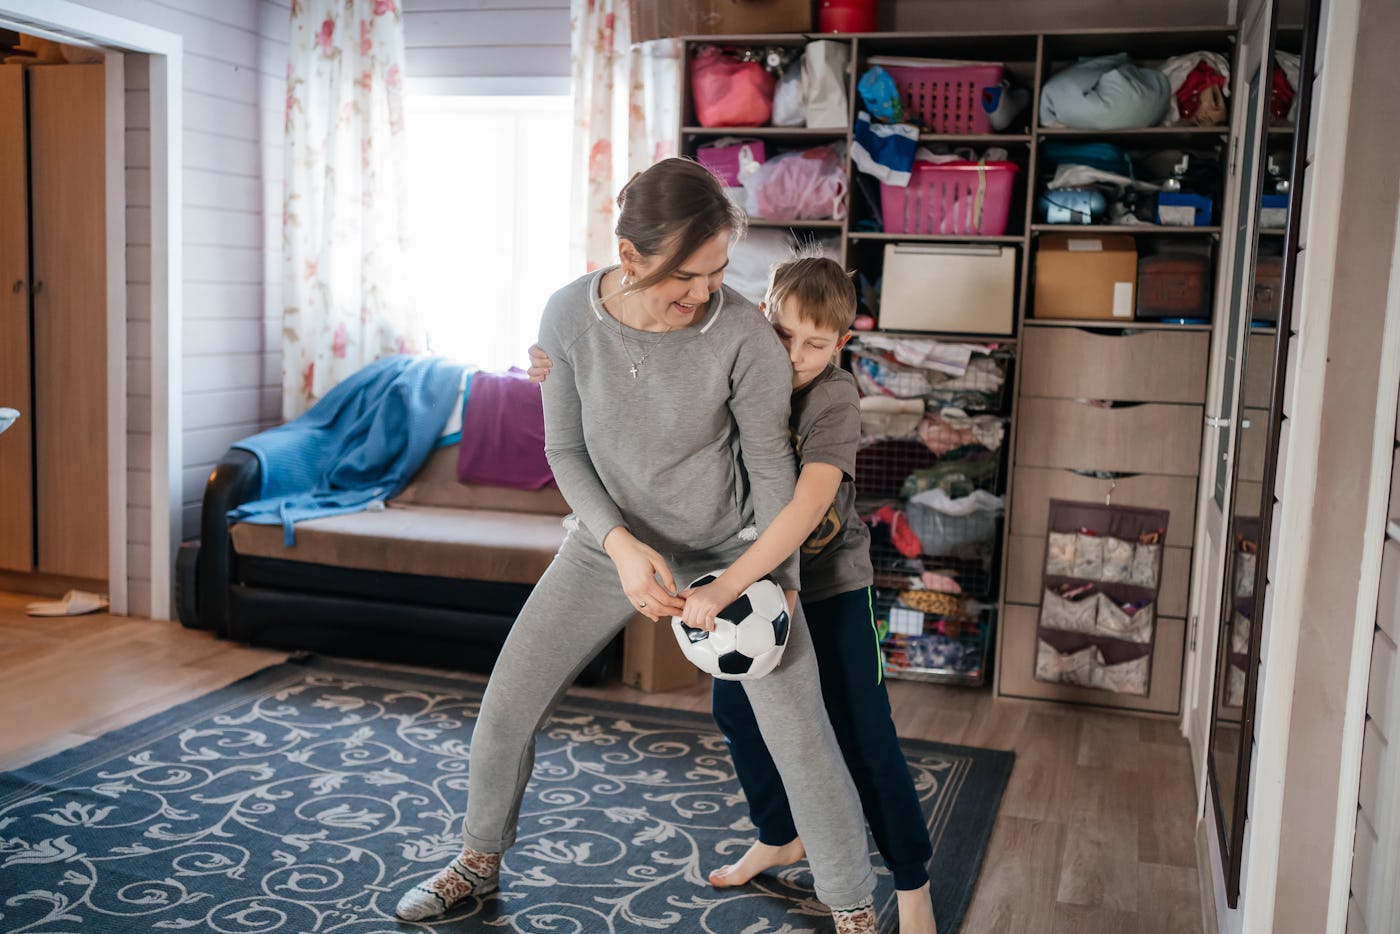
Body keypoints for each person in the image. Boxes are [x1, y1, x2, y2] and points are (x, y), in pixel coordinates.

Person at [393, 158, 879, 933]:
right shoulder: (566, 319)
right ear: (629, 257)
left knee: (801, 734)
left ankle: (853, 908)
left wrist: (779, 577)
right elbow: (566, 451)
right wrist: (617, 544)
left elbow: (767, 462)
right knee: (507, 704)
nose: (705, 293)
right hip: (605, 544)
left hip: (728, 550)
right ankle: (476, 861)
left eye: (719, 272)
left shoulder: (745, 335)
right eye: (687, 276)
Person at [529, 256, 940, 934]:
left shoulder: (832, 396)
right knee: (738, 712)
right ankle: (779, 834)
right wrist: (556, 364)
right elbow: (642, 368)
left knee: (863, 735)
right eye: (783, 336)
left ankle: (914, 882)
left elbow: (806, 506)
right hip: (744, 587)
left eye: (816, 344)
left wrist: (730, 584)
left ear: (842, 345)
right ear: (761, 318)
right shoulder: (737, 352)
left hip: (829, 585)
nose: (796, 357)